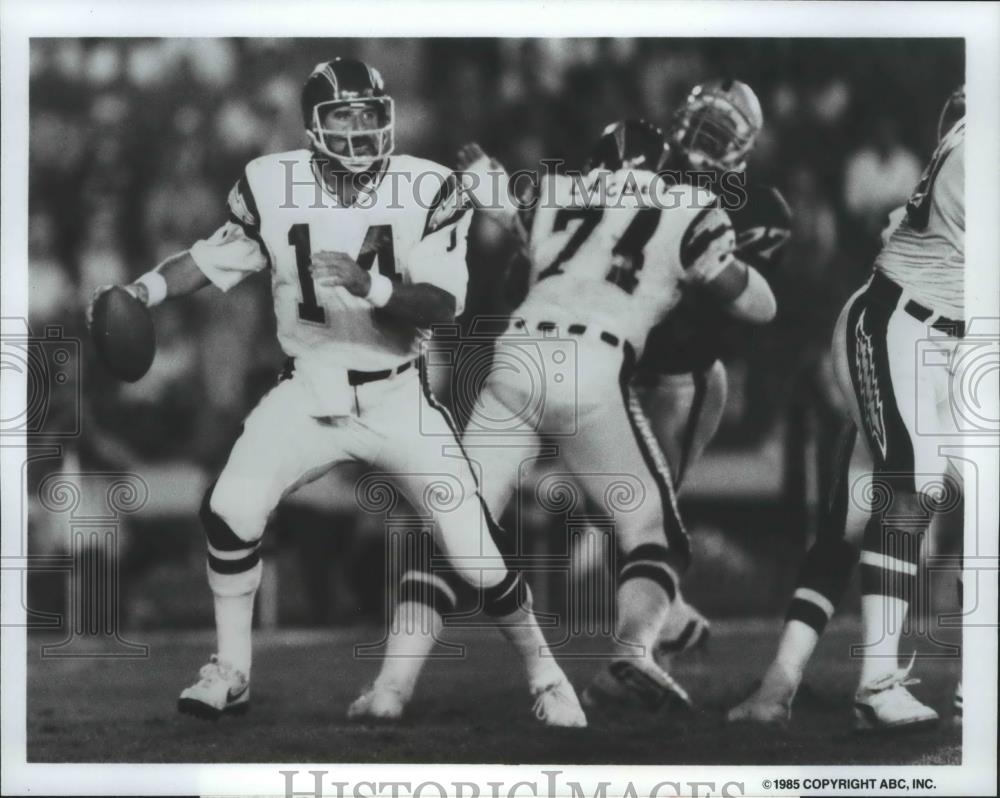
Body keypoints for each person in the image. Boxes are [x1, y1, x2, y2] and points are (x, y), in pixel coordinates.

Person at [87, 57, 585, 728]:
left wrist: (369, 285)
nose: (358, 129)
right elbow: (209, 259)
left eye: (368, 114)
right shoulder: (272, 182)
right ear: (313, 126)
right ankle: (230, 671)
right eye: (342, 116)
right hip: (310, 389)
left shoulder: (427, 187)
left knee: (474, 553)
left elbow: (441, 306)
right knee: (230, 508)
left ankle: (547, 675)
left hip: (398, 395)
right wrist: (141, 291)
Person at [348, 119, 777, 720]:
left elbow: (498, 202)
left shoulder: (559, 192)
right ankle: (634, 649)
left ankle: (390, 690)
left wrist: (482, 172)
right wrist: (743, 270)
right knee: (654, 535)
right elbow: (757, 305)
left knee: (454, 529)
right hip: (591, 368)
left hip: (514, 358)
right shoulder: (689, 205)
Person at [728, 86, 966, 731]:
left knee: (855, 515)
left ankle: (777, 687)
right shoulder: (977, 153)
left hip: (950, 344)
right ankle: (878, 684)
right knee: (909, 492)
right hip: (899, 329)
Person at [635, 79, 791, 659]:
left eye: (719, 132)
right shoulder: (645, 174)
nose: (702, 140)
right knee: (629, 506)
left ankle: (647, 641)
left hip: (685, 376)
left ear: (742, 146)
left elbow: (745, 304)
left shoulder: (759, 208)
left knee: (649, 506)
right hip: (622, 366)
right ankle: (666, 619)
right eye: (700, 124)